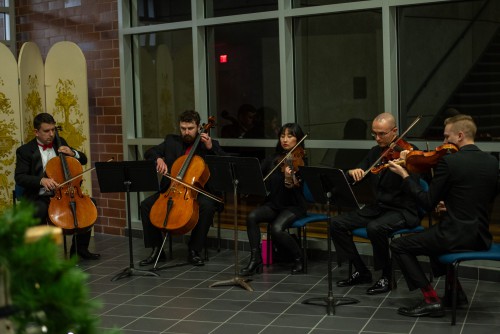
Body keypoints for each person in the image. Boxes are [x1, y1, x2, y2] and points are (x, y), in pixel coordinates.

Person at [388, 114, 499, 317]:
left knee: (399, 245)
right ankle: (456, 292)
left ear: (460, 135)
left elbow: (427, 202)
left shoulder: (450, 162)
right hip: (481, 237)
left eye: (447, 137)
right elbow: (481, 198)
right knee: (430, 240)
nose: (444, 142)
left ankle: (431, 300)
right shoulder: (492, 161)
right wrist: (450, 205)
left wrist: (405, 176)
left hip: (455, 235)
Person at [330, 112, 421, 295]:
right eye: (374, 134)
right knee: (336, 224)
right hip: (379, 208)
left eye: (382, 134)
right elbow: (358, 172)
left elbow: (417, 186)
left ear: (394, 131)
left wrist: (406, 168)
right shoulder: (375, 153)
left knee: (375, 228)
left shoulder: (409, 152)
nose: (377, 138)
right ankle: (361, 271)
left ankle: (387, 277)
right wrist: (352, 172)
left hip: (403, 210)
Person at [139, 110, 225, 266]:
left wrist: (211, 147)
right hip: (173, 189)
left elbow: (223, 164)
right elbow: (150, 152)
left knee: (207, 206)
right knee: (145, 205)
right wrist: (158, 159)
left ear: (198, 127)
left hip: (199, 190)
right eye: (183, 128)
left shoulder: (207, 144)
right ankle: (157, 249)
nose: (186, 132)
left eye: (190, 128)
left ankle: (194, 250)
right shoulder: (171, 141)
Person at [14, 112, 100, 260]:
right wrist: (41, 180)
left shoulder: (60, 142)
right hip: (39, 194)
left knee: (90, 204)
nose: (51, 134)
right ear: (36, 132)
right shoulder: (25, 151)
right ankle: (39, 254)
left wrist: (73, 153)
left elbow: (84, 160)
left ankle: (80, 249)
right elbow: (20, 177)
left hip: (64, 193)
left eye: (53, 130)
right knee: (39, 210)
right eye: (46, 131)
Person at [239, 123, 307, 276]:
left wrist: (290, 178)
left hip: (293, 206)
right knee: (252, 217)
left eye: (290, 136)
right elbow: (257, 173)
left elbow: (293, 186)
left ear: (298, 139)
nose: (285, 139)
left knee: (276, 229)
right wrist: (248, 185)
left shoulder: (300, 159)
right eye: (282, 136)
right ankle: (255, 259)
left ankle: (298, 258)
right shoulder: (274, 159)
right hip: (275, 204)